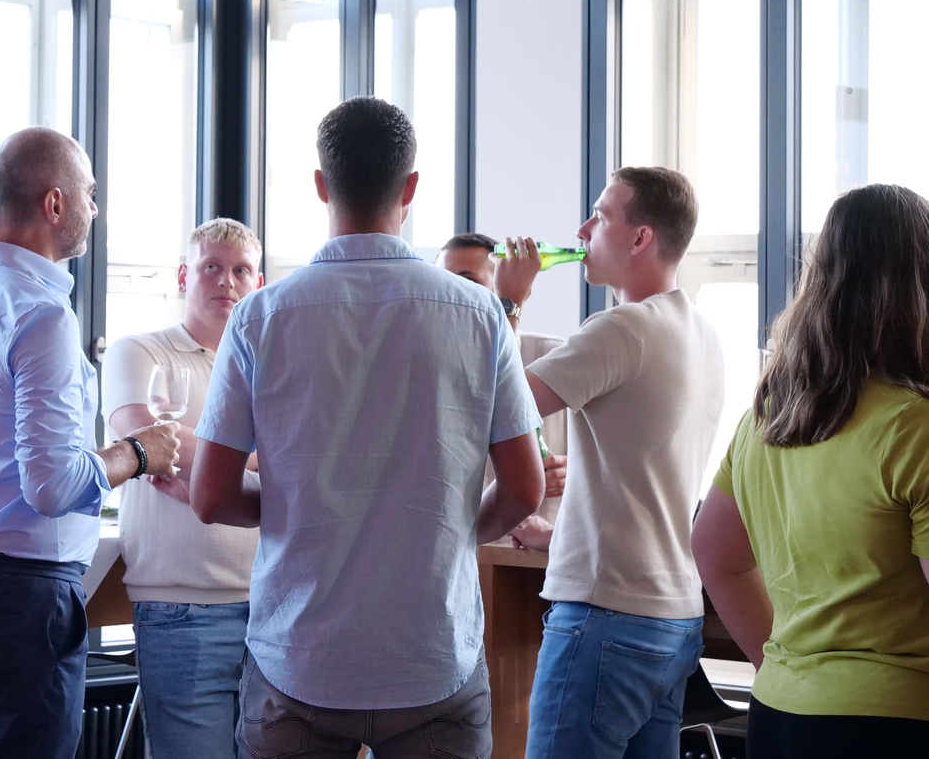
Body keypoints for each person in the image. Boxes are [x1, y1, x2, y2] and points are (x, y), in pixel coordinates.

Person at [190, 96, 546, 759]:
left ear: (320, 185)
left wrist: (296, 506)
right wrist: (453, 531)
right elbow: (525, 490)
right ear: (410, 188)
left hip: (299, 655)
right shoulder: (479, 314)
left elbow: (209, 496)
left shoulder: (260, 317)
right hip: (433, 653)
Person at [0, 127, 181, 759]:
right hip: (15, 601)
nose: (95, 208)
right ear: (55, 203)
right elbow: (52, 486)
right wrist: (140, 451)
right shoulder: (41, 312)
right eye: (90, 193)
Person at [693, 184, 929, 757]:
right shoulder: (913, 424)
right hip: (893, 721)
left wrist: (785, 664)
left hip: (779, 713)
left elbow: (714, 551)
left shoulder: (769, 416)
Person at [508, 166, 725, 759]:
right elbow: (646, 481)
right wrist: (563, 538)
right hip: (673, 618)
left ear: (641, 238)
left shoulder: (623, 328)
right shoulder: (703, 336)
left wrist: (510, 300)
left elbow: (497, 409)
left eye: (600, 216)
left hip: (607, 620)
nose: (581, 230)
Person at [100, 218, 263, 759]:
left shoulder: (269, 365)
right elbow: (147, 438)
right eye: (211, 267)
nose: (227, 281)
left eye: (241, 271)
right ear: (183, 275)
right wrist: (259, 460)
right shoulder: (138, 352)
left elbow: (303, 459)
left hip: (272, 607)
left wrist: (201, 465)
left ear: (259, 283)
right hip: (181, 608)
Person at [438, 232, 568, 518]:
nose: (452, 293)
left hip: (540, 540)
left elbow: (610, 460)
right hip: (463, 540)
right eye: (442, 282)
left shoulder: (556, 357)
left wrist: (574, 473)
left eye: (468, 281)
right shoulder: (427, 368)